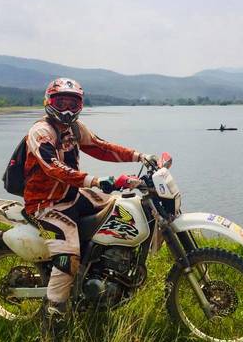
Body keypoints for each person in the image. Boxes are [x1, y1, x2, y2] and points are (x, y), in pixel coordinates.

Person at [23, 77, 153, 322]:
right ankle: (54, 316)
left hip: (71, 196)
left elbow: (101, 147)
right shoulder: (40, 132)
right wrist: (95, 180)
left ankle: (101, 267)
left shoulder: (74, 129)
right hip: (44, 205)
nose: (67, 109)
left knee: (116, 208)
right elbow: (54, 168)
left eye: (72, 103)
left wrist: (140, 156)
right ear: (49, 102)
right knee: (67, 257)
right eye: (60, 102)